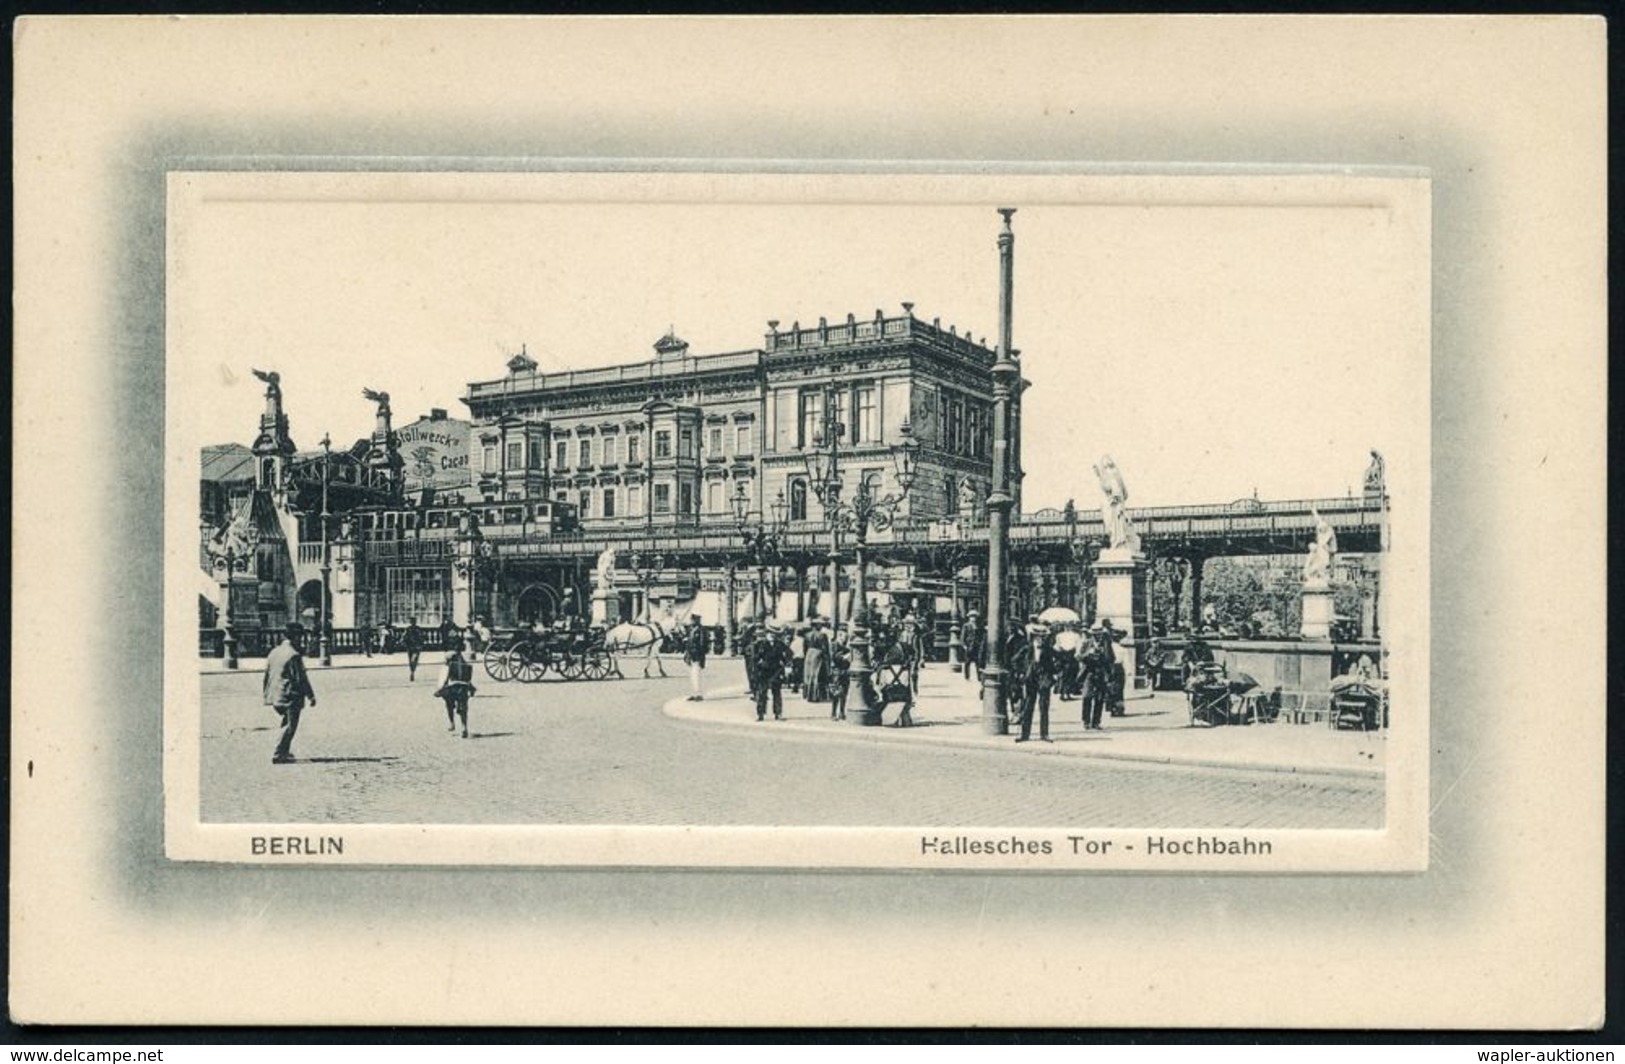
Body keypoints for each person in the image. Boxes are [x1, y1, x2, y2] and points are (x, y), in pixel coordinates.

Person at [263, 621, 317, 764]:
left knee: (286, 722)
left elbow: (267, 675)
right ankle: (278, 753)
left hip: (276, 694)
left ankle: (285, 751)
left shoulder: (274, 652)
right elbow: (301, 679)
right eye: (300, 637)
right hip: (289, 695)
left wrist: (267, 695)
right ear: (296, 637)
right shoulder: (293, 655)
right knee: (290, 726)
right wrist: (310, 696)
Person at [1015, 624, 1056, 743]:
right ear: (1033, 637)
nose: (1040, 640)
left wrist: (1054, 675)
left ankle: (1044, 734)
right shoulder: (1027, 649)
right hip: (1030, 680)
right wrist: (1021, 673)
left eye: (1043, 637)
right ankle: (1024, 735)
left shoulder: (1048, 649)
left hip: (1044, 680)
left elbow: (1059, 660)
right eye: (1038, 637)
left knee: (1044, 707)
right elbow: (1014, 660)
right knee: (1028, 707)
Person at [747, 624, 790, 721]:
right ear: (766, 634)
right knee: (762, 693)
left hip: (776, 671)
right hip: (764, 671)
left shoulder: (780, 644)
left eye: (774, 634)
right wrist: (758, 664)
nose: (772, 636)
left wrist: (786, 665)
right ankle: (760, 714)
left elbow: (788, 655)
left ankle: (778, 713)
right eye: (770, 634)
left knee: (777, 692)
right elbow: (754, 657)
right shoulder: (760, 644)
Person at [434, 647, 478, 738]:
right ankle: (464, 727)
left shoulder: (447, 666)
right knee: (463, 709)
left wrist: (440, 689)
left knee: (449, 705)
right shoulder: (465, 666)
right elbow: (468, 679)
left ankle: (452, 723)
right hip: (462, 689)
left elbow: (443, 680)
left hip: (451, 689)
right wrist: (471, 688)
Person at [801, 618, 830, 703]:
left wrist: (807, 654)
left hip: (809, 654)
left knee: (808, 675)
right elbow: (825, 648)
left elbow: (804, 648)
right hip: (818, 654)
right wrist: (826, 658)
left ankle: (807, 695)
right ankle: (815, 695)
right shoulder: (822, 635)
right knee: (816, 674)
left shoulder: (807, 635)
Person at [681, 613, 708, 701]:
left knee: (696, 675)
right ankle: (694, 693)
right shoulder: (691, 629)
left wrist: (700, 654)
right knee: (692, 675)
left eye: (693, 620)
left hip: (697, 655)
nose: (691, 621)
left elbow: (703, 643)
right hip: (690, 655)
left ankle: (699, 694)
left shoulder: (701, 630)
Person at [828, 634, 852, 722]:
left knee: (844, 693)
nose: (845, 640)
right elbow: (834, 657)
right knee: (836, 693)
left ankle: (842, 712)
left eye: (846, 639)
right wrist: (844, 657)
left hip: (844, 671)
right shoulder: (834, 645)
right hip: (837, 671)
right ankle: (833, 713)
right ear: (839, 637)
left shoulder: (846, 648)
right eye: (844, 639)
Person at [960, 610, 985, 685]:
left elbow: (981, 636)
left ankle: (979, 677)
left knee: (978, 662)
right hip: (969, 646)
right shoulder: (966, 625)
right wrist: (964, 645)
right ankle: (967, 676)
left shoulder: (979, 626)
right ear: (969, 618)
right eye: (972, 617)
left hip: (976, 646)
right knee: (967, 662)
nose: (973, 618)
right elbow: (962, 637)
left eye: (974, 617)